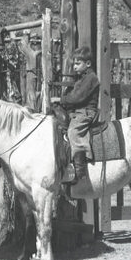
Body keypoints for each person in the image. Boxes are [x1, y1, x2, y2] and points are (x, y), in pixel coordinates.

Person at [54, 50, 100, 185]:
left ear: (88, 64)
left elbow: (77, 97)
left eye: (78, 64)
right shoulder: (82, 79)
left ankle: (80, 171)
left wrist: (60, 99)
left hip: (86, 112)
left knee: (73, 132)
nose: (74, 67)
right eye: (74, 64)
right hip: (78, 111)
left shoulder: (91, 78)